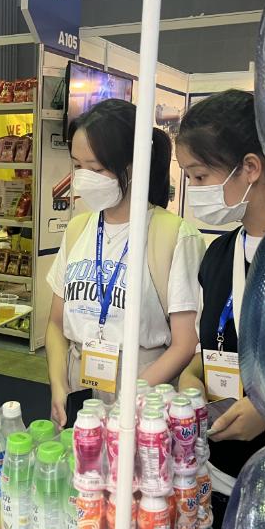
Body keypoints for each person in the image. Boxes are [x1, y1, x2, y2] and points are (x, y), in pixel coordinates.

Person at [175, 90, 265, 529]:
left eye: (200, 175)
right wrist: (191, 376)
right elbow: (213, 348)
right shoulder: (217, 256)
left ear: (250, 168)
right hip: (221, 475)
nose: (194, 191)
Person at [46, 99, 205, 426]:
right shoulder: (78, 229)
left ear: (134, 166)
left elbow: (185, 343)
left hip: (144, 392)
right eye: (78, 166)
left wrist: (129, 399)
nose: (83, 178)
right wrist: (58, 386)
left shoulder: (174, 235)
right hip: (79, 385)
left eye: (96, 169)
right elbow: (56, 324)